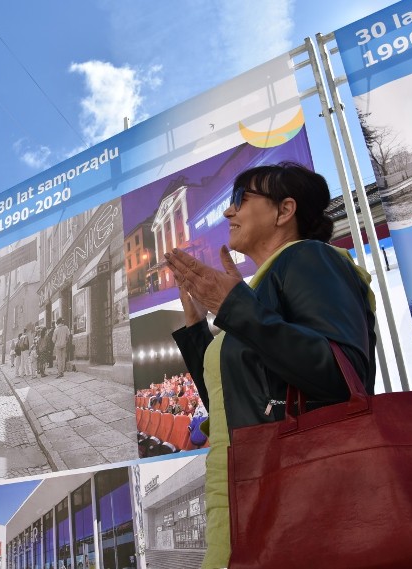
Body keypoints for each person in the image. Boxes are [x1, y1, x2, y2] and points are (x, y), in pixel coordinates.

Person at [166, 163, 376, 568]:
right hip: (245, 495)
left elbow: (339, 375)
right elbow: (233, 402)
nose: (228, 213)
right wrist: (197, 328)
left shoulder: (309, 258)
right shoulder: (256, 292)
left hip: (297, 504)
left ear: (284, 211)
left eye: (240, 200)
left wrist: (233, 307)